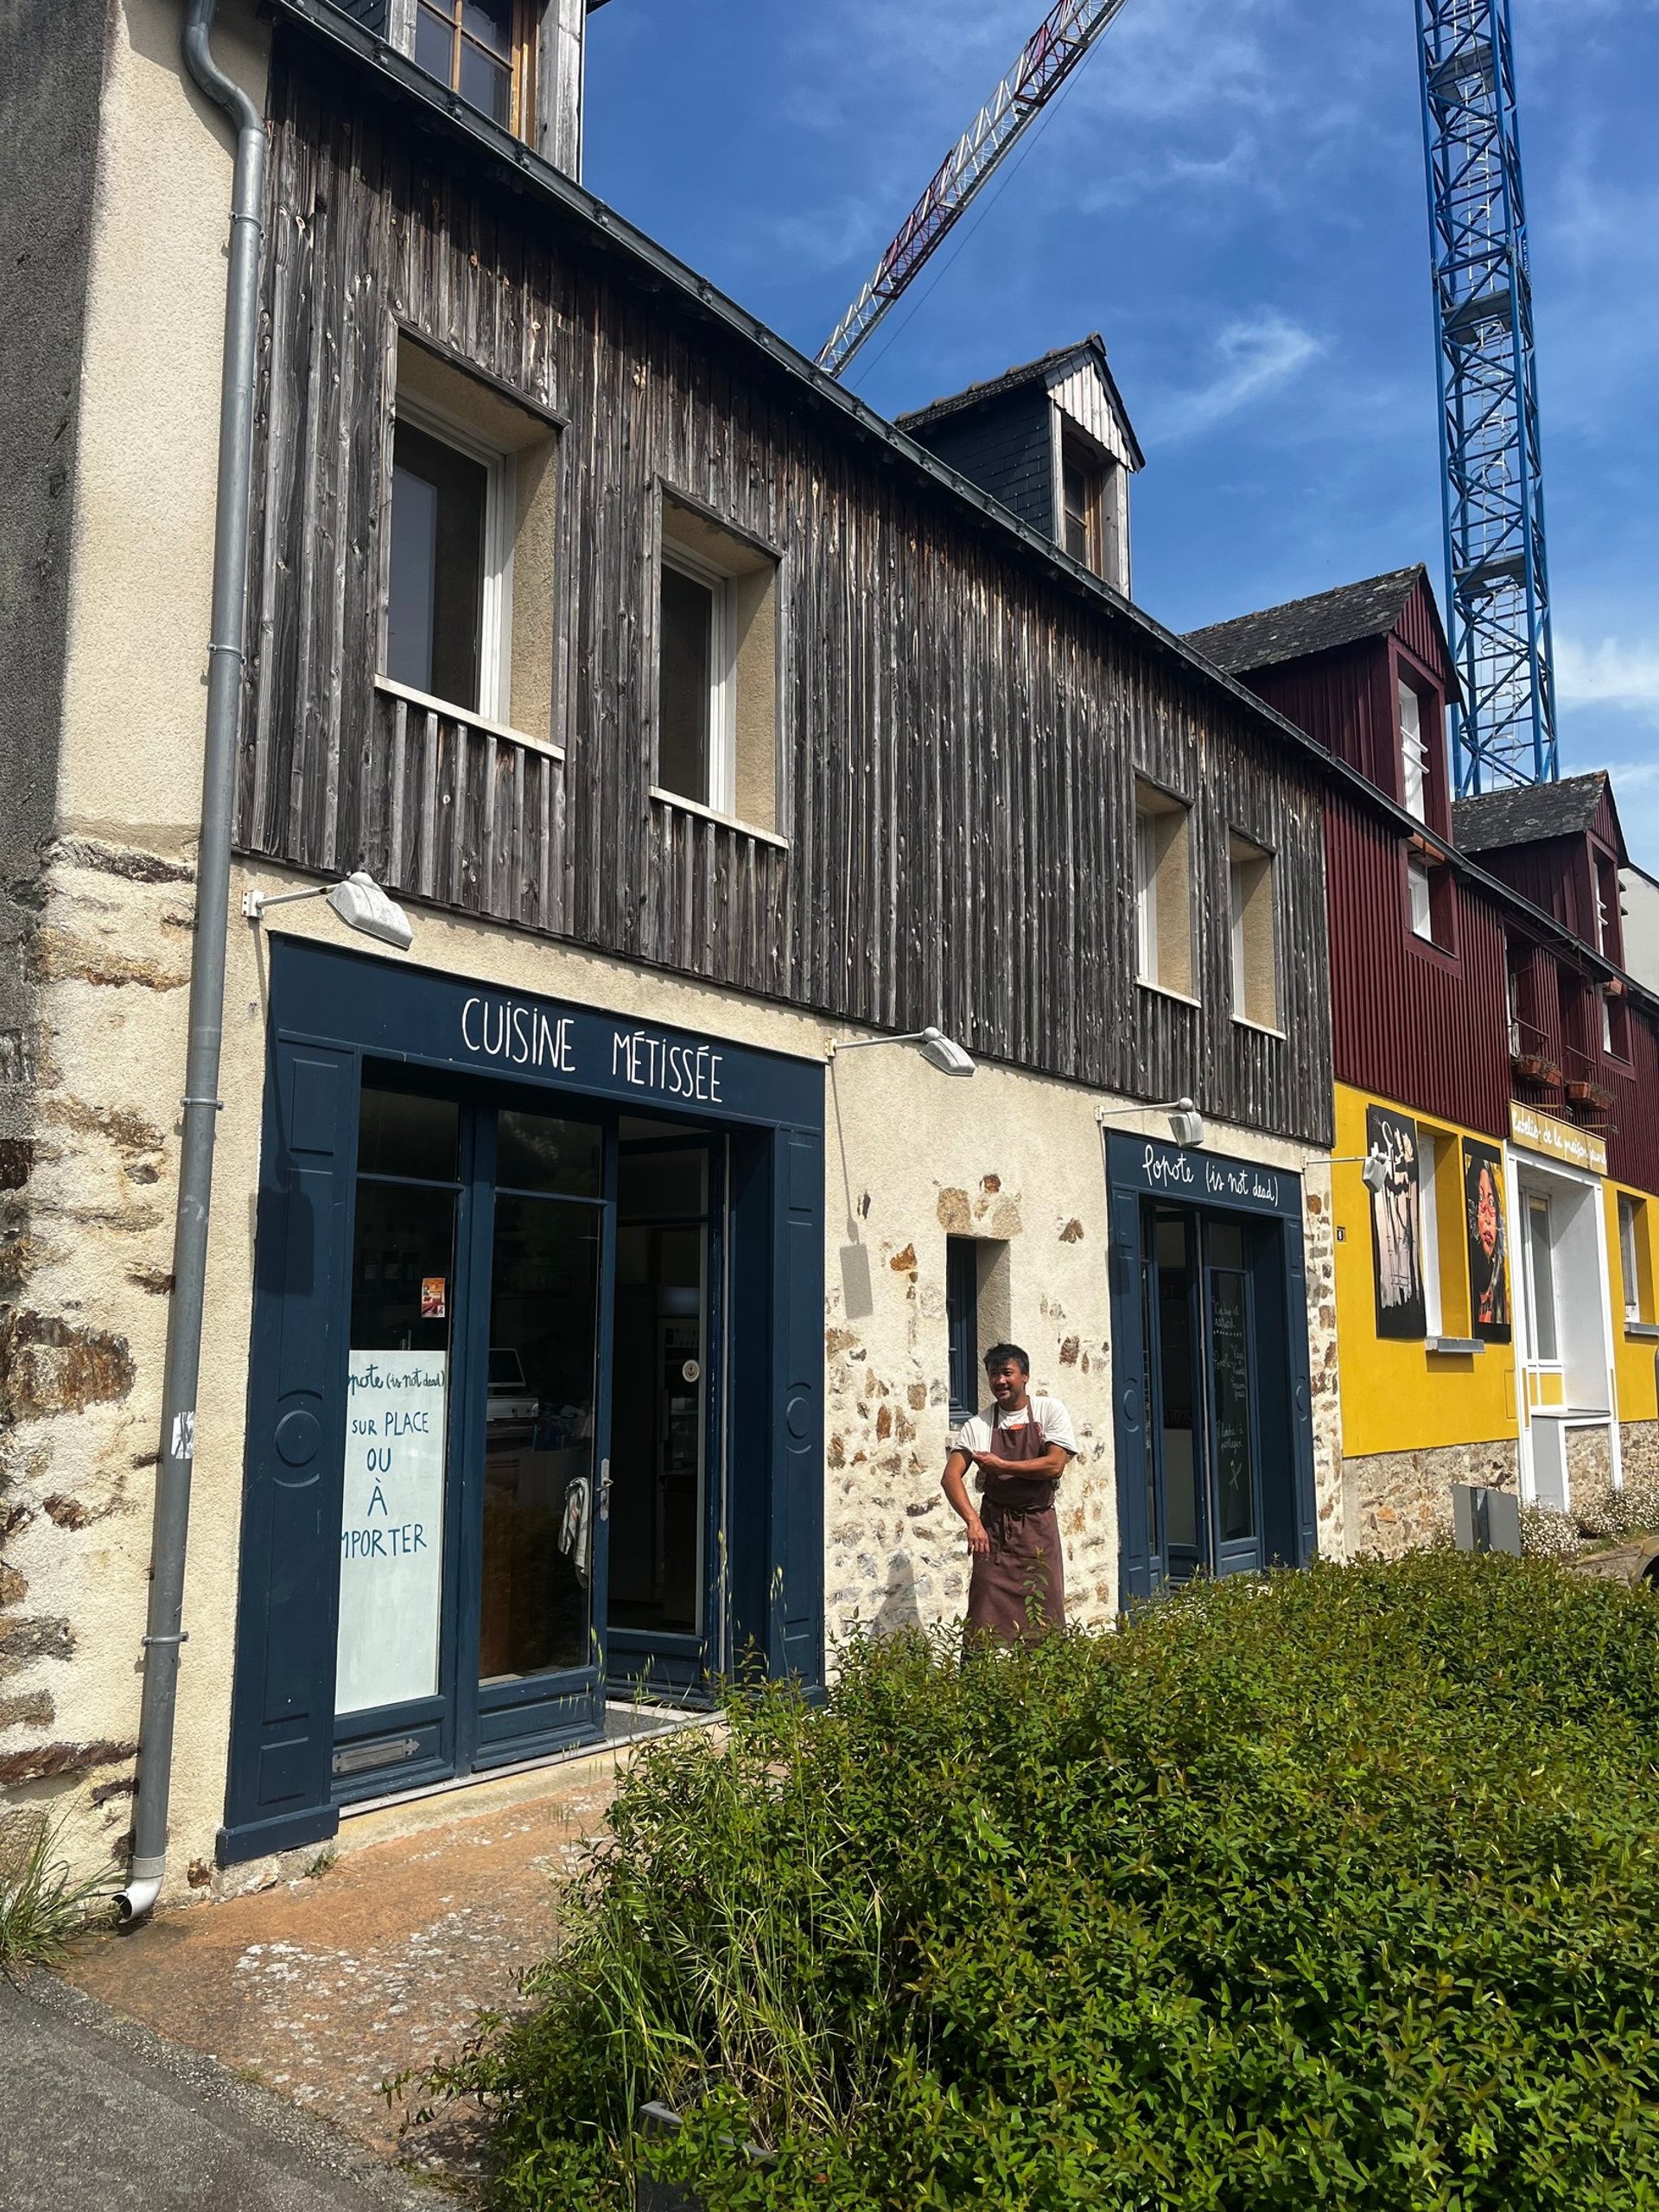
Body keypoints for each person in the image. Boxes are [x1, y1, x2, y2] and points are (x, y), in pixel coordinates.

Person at [942, 1343, 1077, 1644]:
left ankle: (1044, 1686)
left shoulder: (1048, 1411)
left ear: (1025, 1376)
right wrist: (973, 1522)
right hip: (994, 1533)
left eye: (1007, 1373)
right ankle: (979, 1683)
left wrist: (1002, 1464)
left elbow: (1055, 1465)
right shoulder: (978, 1425)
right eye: (993, 1374)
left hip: (1037, 1529)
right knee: (982, 1616)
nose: (1000, 1381)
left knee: (1044, 1615)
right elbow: (950, 1477)